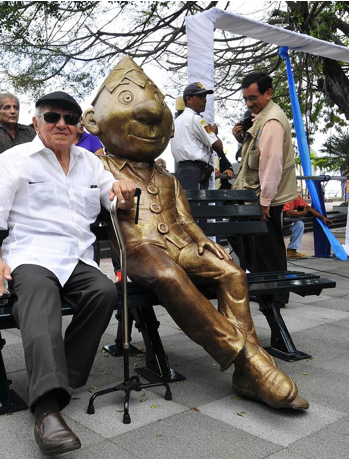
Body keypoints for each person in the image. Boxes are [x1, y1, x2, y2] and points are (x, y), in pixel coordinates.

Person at [84, 56, 308, 411]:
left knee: (232, 271)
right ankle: (251, 361)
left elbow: (186, 221)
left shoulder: (168, 178)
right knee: (169, 275)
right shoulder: (98, 164)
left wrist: (202, 238)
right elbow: (54, 172)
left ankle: (248, 375)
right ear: (93, 121)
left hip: (181, 245)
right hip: (141, 252)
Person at [0, 91, 137, 456]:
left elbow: (115, 199)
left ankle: (63, 375)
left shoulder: (91, 163)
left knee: (104, 293)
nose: (62, 123)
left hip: (77, 257)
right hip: (31, 254)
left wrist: (123, 192)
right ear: (36, 123)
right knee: (39, 297)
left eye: (70, 117)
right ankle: (47, 410)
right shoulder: (16, 160)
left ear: (79, 125)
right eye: (52, 117)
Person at [232, 72, 298, 306]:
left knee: (268, 247)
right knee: (258, 244)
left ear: (268, 93)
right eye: (246, 99)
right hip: (257, 194)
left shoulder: (271, 121)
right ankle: (266, 288)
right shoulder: (260, 116)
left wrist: (264, 202)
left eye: (253, 98)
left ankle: (275, 294)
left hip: (264, 197)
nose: (249, 103)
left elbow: (271, 164)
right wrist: (242, 138)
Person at [169, 82, 234, 190]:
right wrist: (214, 134)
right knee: (198, 206)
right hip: (195, 173)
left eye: (205, 96)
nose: (204, 100)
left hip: (181, 171)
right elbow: (218, 146)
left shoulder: (176, 122)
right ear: (189, 99)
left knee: (186, 205)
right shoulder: (197, 120)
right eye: (200, 96)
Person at [0, 92, 36, 168]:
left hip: (30, 178)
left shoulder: (29, 131)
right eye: (7, 107)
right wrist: (20, 169)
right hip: (0, 178)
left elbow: (38, 157)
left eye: (16, 108)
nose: (13, 111)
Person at [283, 194, 333, 259]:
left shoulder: (295, 197)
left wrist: (322, 217)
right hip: (273, 227)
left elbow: (308, 208)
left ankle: (291, 251)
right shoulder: (282, 196)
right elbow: (287, 213)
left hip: (285, 226)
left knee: (299, 224)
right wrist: (303, 213)